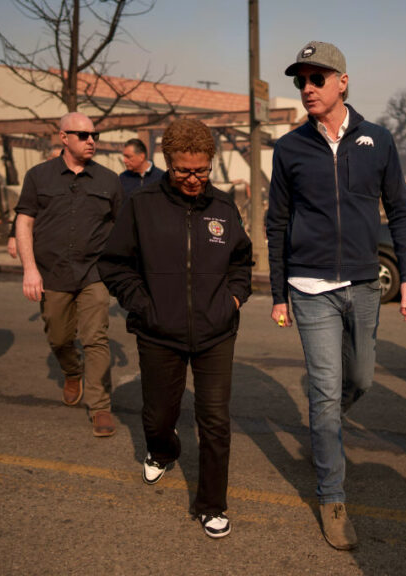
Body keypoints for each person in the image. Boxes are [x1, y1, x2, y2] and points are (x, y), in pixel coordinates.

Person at [266, 41, 406, 550]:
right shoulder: (289, 148)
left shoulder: (377, 140)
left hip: (362, 283)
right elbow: (277, 223)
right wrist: (278, 291)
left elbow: (399, 210)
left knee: (363, 378)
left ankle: (324, 420)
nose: (307, 88)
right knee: (328, 393)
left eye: (316, 78)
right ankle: (333, 496)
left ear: (342, 82)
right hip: (309, 287)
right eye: (300, 81)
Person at [99, 118, 252, 539]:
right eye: (184, 170)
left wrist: (232, 301)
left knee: (215, 420)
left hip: (216, 332)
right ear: (168, 163)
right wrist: (142, 305)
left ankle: (212, 504)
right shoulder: (142, 204)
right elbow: (114, 264)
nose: (193, 179)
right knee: (159, 414)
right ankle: (163, 450)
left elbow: (242, 263)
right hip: (158, 332)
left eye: (201, 170)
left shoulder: (222, 207)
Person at [15, 112, 122, 437]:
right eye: (83, 135)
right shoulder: (38, 176)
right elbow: (24, 222)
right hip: (52, 273)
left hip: (94, 273)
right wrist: (30, 269)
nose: (91, 141)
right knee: (59, 337)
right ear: (63, 137)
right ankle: (71, 371)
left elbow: (121, 227)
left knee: (95, 338)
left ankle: (100, 406)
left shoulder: (108, 180)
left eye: (95, 135)